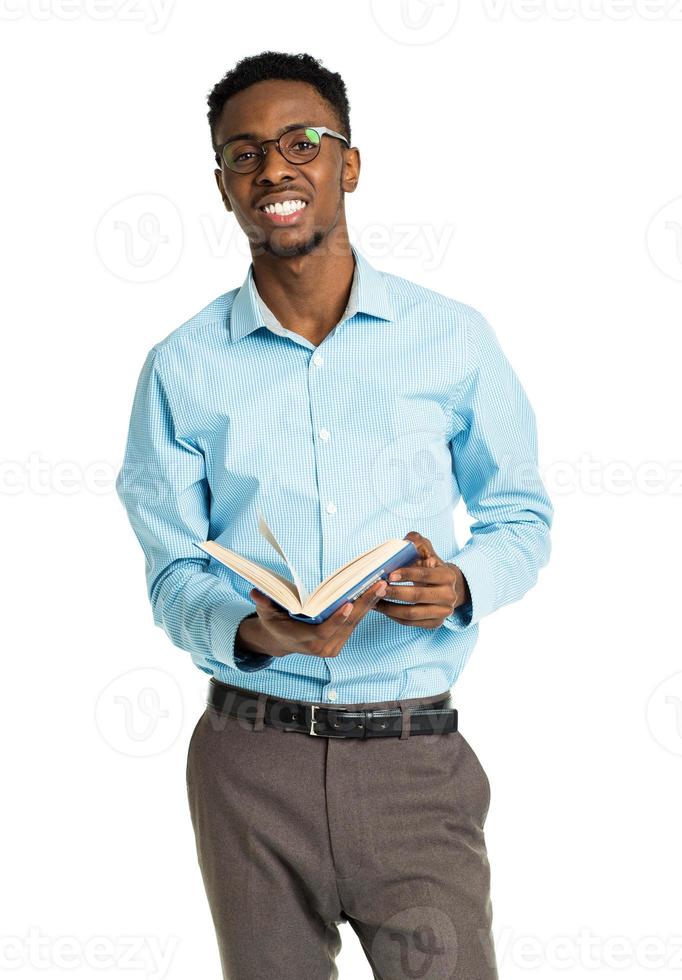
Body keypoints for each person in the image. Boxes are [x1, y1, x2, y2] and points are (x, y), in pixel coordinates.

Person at [115, 49, 553, 980]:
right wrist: (250, 629)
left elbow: (519, 513)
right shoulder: (181, 366)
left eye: (301, 142)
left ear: (347, 164)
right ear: (225, 186)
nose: (273, 167)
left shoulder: (452, 337)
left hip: (412, 760)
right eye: (244, 154)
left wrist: (463, 582)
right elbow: (170, 572)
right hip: (248, 764)